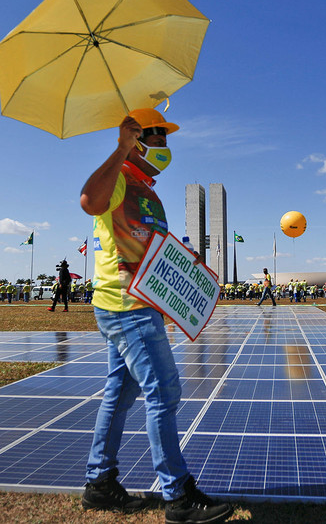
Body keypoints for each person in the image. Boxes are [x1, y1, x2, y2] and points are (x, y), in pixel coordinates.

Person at [78, 109, 233, 523]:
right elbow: (89, 201)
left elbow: (147, 246)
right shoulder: (120, 180)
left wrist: (184, 261)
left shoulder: (147, 188)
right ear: (137, 139)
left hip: (135, 306)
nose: (165, 147)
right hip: (128, 308)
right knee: (163, 394)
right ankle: (177, 496)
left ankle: (99, 484)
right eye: (158, 138)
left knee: (120, 394)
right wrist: (120, 148)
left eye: (166, 139)